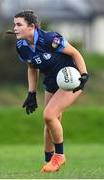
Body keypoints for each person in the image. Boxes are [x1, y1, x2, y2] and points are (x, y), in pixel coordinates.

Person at [12, 10, 89, 172]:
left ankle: (59, 156)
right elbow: (32, 66)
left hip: (70, 79)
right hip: (51, 81)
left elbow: (75, 52)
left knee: (49, 115)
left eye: (19, 25)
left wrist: (83, 76)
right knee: (50, 122)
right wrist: (31, 93)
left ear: (31, 26)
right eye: (14, 24)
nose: (15, 28)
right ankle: (49, 161)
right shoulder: (21, 45)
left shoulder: (49, 39)